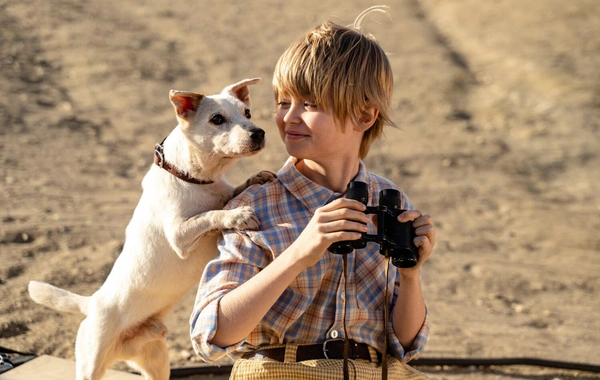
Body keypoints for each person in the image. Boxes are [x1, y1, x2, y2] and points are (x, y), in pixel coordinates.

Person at [190, 7, 436, 380]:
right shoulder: (256, 203)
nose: (289, 118)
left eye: (310, 104)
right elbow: (213, 333)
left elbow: (405, 343)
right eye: (283, 103)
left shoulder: (390, 201)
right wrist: (300, 252)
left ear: (364, 116)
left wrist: (411, 275)